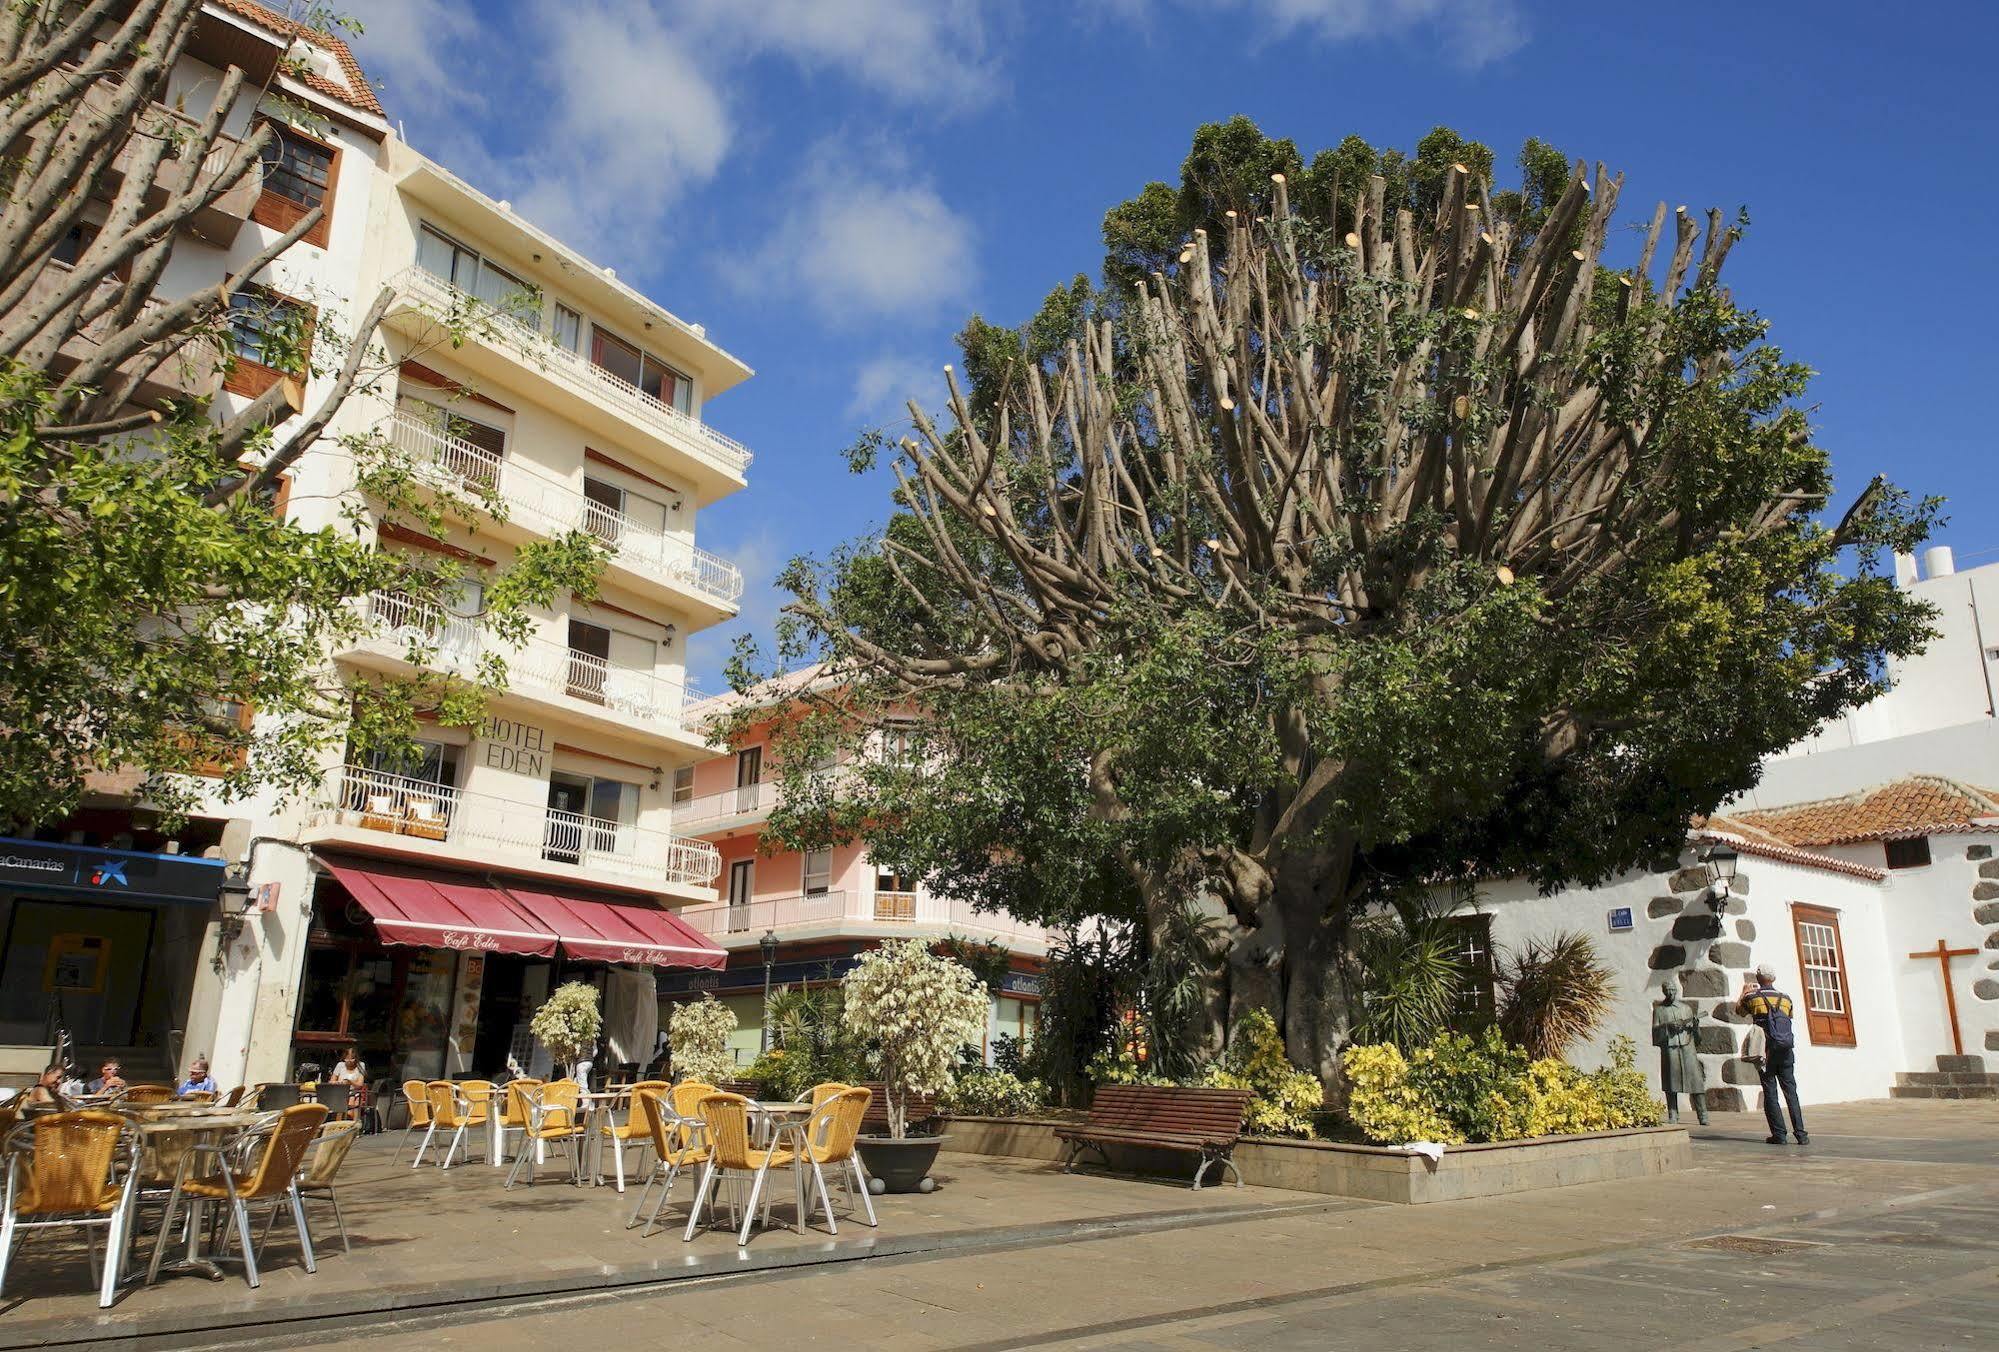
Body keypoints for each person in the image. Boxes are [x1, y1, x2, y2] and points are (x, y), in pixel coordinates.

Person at [1738, 963, 1808, 1145]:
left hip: (1766, 1050)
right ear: (1773, 979)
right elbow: (1789, 1017)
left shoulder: (1753, 997)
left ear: (1758, 979)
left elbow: (1739, 1011)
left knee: (1770, 1091)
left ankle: (1779, 1134)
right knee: (1791, 1091)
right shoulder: (1786, 998)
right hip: (1785, 1049)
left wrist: (1743, 993)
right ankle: (1801, 1134)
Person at [1652, 979, 1709, 1126]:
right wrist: (1668, 1027)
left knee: (1696, 1081)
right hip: (1670, 1048)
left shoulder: (1686, 1008)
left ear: (1676, 991)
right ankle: (1673, 1114)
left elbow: (1696, 1035)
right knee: (1671, 1082)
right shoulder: (1659, 1010)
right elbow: (1655, 1031)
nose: (1670, 993)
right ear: (1664, 992)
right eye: (1667, 990)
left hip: (1687, 1046)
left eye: (1672, 990)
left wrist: (1695, 1025)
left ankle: (1703, 1115)